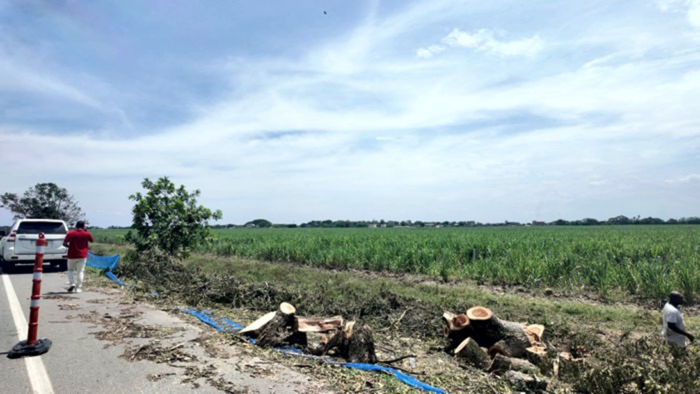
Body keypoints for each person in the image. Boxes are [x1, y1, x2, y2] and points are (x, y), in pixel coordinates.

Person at [62, 220, 94, 293]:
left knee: (70, 270)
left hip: (71, 255)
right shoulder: (86, 234)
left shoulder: (70, 233)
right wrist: (86, 231)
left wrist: (69, 246)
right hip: (82, 255)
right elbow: (91, 240)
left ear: (76, 226)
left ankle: (72, 283)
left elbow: (64, 243)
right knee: (80, 271)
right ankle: (78, 288)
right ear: (84, 226)